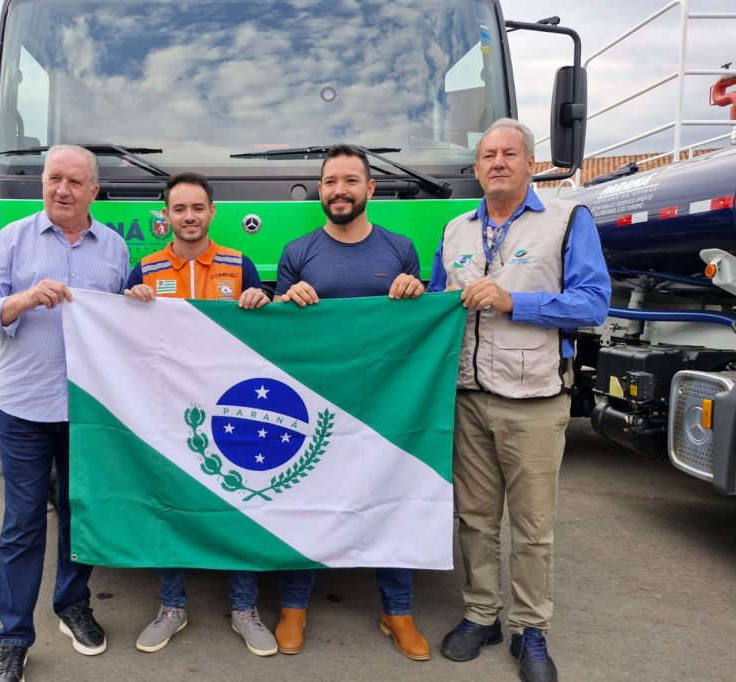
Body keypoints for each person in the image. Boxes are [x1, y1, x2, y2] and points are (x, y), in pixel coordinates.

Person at [426, 118, 610, 682]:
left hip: (533, 398)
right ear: (477, 168)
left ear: (531, 163)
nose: (498, 162)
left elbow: (592, 304)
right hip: (468, 396)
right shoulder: (455, 229)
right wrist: (415, 294)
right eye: (488, 155)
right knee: (475, 519)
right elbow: (437, 304)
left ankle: (531, 629)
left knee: (532, 525)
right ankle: (481, 615)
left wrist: (513, 302)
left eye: (510, 153)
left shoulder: (567, 219)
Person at [0, 145, 130, 682]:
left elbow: (122, 321)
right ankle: (13, 638)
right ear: (44, 183)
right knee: (22, 524)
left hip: (87, 410)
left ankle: (72, 606)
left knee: (80, 515)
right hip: (25, 407)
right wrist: (24, 300)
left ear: (94, 191)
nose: (63, 190)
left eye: (75, 182)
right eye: (54, 178)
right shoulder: (12, 240)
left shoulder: (114, 249)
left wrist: (139, 300)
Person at [273, 143, 428, 660]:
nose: (339, 190)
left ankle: (397, 611)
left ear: (370, 188)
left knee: (394, 501)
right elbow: (277, 335)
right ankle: (294, 606)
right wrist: (283, 299)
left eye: (349, 181)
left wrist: (416, 289)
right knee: (306, 500)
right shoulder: (298, 252)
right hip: (317, 406)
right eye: (330, 182)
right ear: (321, 190)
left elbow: (420, 324)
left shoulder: (401, 248)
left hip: (388, 406)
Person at [124, 171, 275, 656]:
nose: (188, 217)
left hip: (232, 412)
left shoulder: (239, 265)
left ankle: (244, 608)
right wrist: (129, 303)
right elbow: (120, 339)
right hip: (167, 411)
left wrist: (261, 300)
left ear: (212, 212)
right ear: (165, 216)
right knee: (170, 503)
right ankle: (172, 606)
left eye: (197, 208)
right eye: (179, 209)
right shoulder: (144, 270)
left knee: (241, 501)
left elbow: (266, 340)